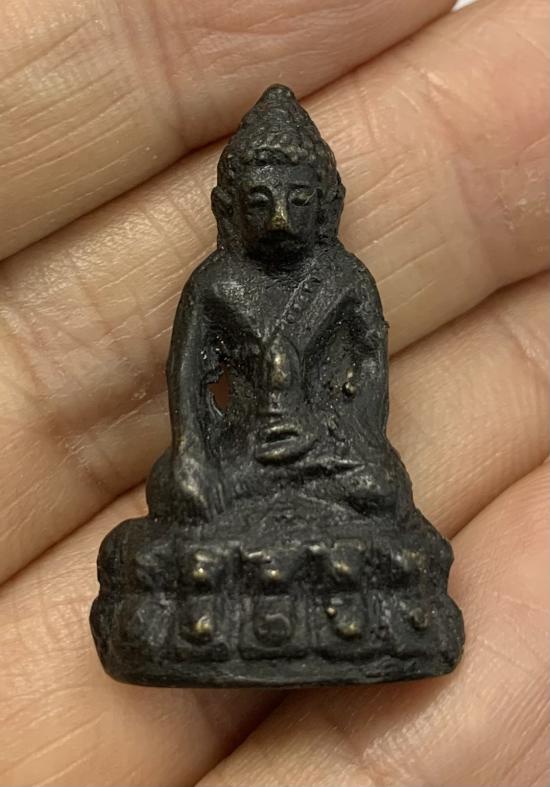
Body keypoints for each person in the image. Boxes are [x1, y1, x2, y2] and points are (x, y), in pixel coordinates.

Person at [0, 0, 547, 784]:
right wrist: (198, 457)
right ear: (229, 209)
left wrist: (343, 441)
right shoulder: (216, 283)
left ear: (326, 205)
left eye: (297, 200)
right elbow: (189, 382)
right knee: (178, 494)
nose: (281, 217)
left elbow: (368, 379)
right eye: (261, 203)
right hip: (238, 458)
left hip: (325, 453)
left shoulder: (344, 280)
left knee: (384, 491)